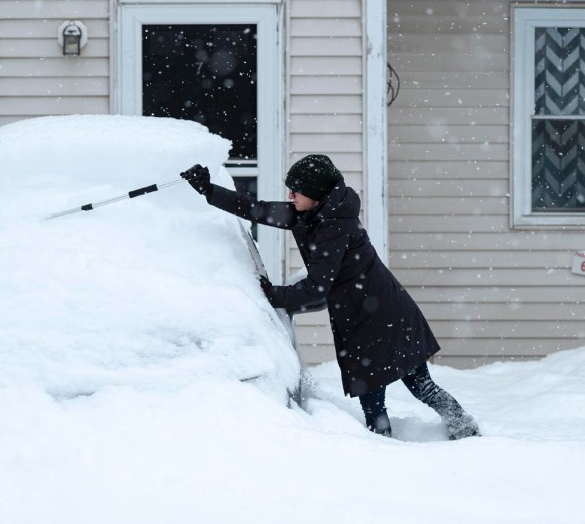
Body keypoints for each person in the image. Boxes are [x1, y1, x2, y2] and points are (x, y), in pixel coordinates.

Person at [180, 155, 480, 440]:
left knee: (394, 395)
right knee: (408, 389)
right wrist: (208, 190)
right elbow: (256, 209)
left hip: (376, 318)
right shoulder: (312, 213)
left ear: (315, 193)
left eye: (296, 190)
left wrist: (272, 295)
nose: (290, 195)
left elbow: (316, 288)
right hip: (379, 311)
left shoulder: (334, 227)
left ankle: (426, 442)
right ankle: (459, 433)